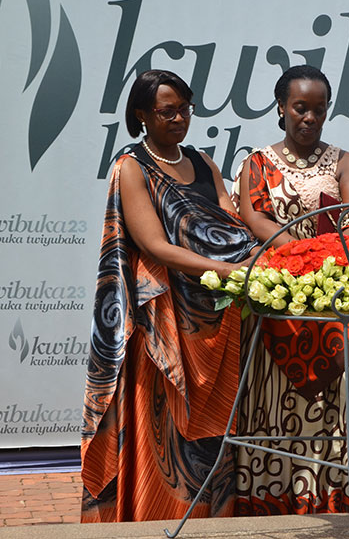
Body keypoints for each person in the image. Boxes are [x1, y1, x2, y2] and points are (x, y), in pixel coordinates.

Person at [80, 69, 258, 522]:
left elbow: (233, 226)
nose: (179, 118)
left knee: (217, 429)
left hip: (218, 321)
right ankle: (153, 522)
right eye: (167, 111)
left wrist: (268, 257)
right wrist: (226, 268)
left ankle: (214, 528)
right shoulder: (132, 167)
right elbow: (155, 246)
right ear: (142, 115)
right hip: (165, 323)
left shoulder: (204, 162)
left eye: (185, 109)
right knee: (166, 432)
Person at [231, 65, 349, 515]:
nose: (310, 117)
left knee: (335, 415)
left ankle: (333, 504)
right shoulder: (256, 163)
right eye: (300, 107)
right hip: (281, 306)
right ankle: (271, 506)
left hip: (337, 308)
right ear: (281, 108)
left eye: (318, 109)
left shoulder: (345, 162)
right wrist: (300, 260)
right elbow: (255, 218)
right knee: (275, 409)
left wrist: (324, 268)